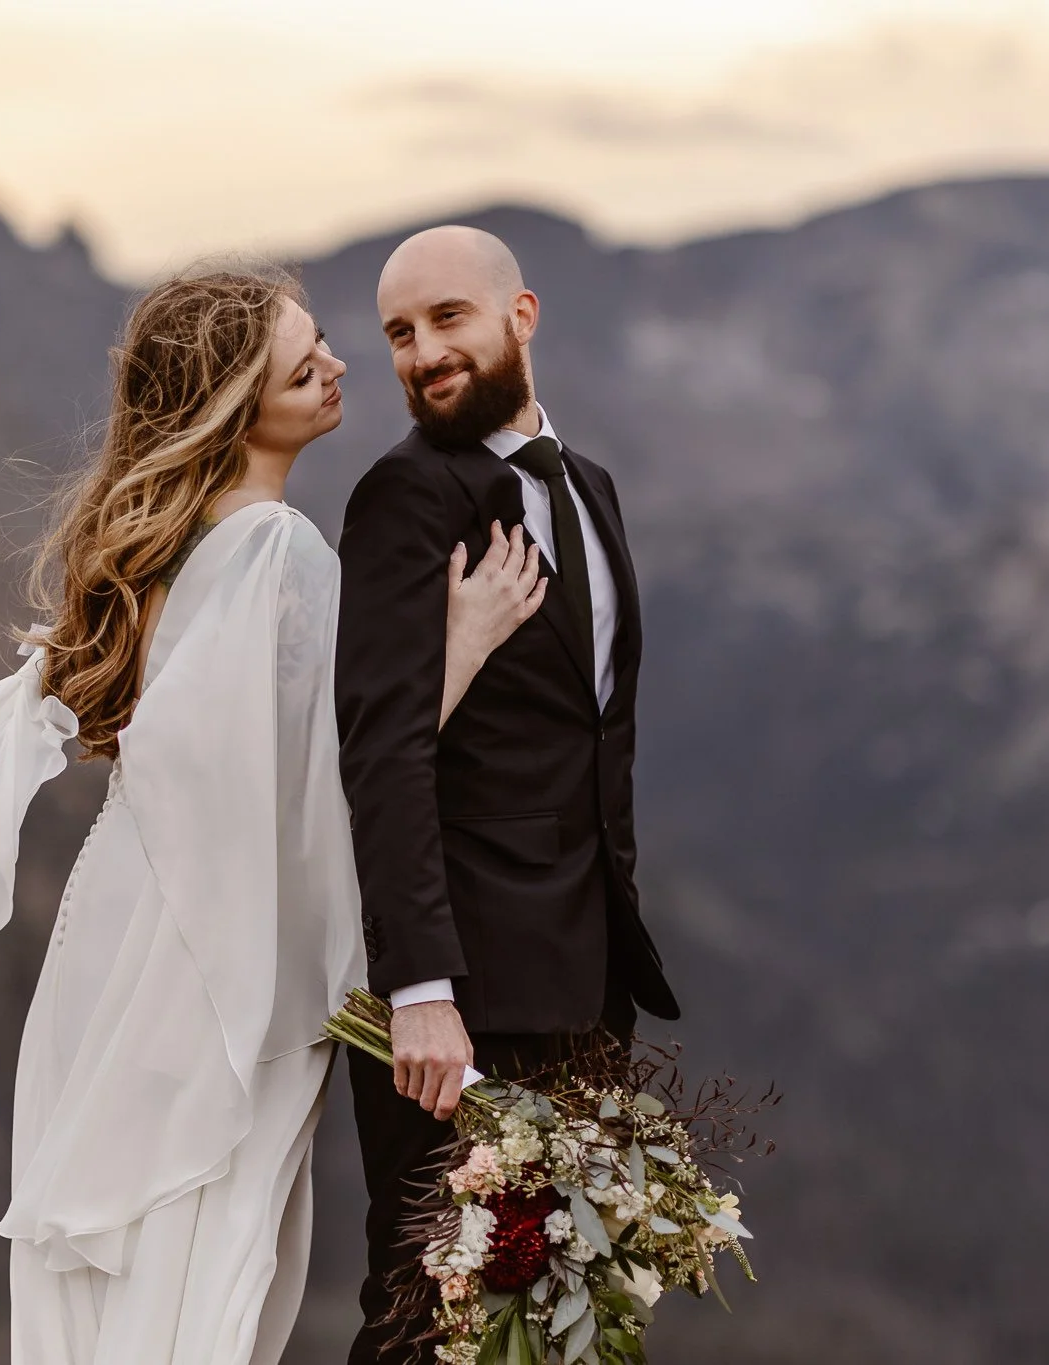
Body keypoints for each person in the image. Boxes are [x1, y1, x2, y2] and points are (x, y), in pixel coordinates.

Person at [0, 268, 545, 1365]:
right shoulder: (270, 548)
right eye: (304, 367)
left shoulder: (177, 544)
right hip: (209, 957)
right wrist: (464, 646)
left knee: (136, 1257)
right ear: (231, 404)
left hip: (125, 937)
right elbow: (321, 776)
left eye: (325, 345)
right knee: (199, 1249)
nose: (342, 368)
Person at [335, 227, 683, 1362]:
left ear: (518, 317)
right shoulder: (403, 497)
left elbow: (593, 741)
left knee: (547, 1326)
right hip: (457, 1000)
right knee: (422, 1315)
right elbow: (380, 752)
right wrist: (417, 987)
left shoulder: (590, 490)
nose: (420, 353)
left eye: (446, 320)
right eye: (397, 333)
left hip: (582, 982)